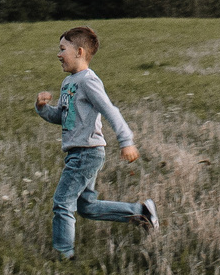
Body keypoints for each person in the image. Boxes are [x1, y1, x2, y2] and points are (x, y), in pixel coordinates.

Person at [35, 26, 158, 259]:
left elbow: (110, 110)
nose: (58, 54)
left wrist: (126, 140)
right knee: (87, 207)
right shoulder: (68, 83)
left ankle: (64, 254)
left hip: (87, 152)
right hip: (78, 152)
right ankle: (141, 213)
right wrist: (42, 108)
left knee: (62, 202)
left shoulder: (88, 81)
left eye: (62, 49)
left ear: (79, 52)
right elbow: (63, 117)